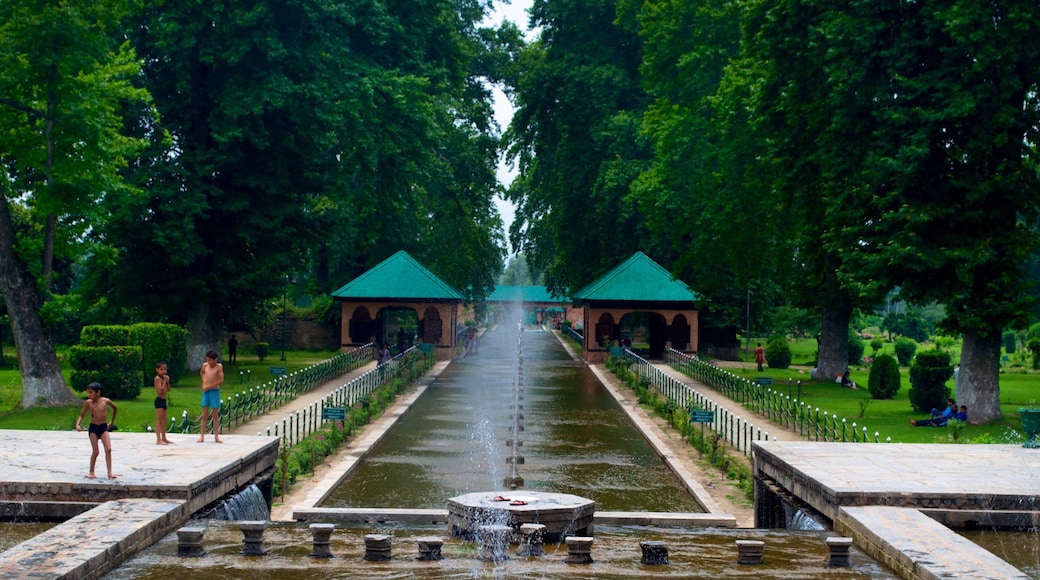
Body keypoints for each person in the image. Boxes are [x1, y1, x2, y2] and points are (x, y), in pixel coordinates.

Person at [75, 382, 118, 479]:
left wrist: (111, 421)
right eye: (88, 392)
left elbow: (115, 408)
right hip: (94, 428)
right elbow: (82, 415)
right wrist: (78, 424)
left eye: (91, 392)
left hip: (103, 427)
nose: (88, 395)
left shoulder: (105, 401)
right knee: (96, 451)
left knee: (108, 449)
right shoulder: (88, 403)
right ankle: (91, 471)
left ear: (98, 392)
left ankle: (110, 472)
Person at [198, 349, 224, 443]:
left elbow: (221, 380)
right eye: (207, 360)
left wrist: (209, 386)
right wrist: (204, 382)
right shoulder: (205, 365)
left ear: (215, 359)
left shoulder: (218, 367)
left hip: (214, 390)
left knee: (215, 414)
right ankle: (202, 436)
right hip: (206, 391)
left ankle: (216, 436)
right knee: (204, 414)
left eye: (210, 360)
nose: (209, 362)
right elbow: (202, 372)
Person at [154, 361, 174, 445]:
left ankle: (164, 437)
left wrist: (167, 382)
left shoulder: (164, 378)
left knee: (164, 420)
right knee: (159, 420)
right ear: (157, 370)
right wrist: (164, 382)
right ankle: (158, 439)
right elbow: (160, 390)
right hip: (159, 400)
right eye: (161, 369)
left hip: (164, 400)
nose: (163, 371)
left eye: (165, 369)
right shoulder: (157, 379)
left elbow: (168, 389)